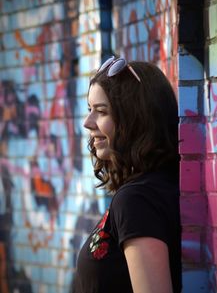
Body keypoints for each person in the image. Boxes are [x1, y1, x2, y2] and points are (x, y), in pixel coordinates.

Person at [73, 56, 182, 293]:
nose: (87, 122)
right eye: (90, 109)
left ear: (135, 118)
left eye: (101, 111)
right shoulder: (152, 189)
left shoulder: (136, 200)